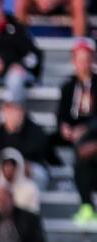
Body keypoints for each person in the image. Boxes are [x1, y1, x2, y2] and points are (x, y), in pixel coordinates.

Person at [58, 39, 97, 223]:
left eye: (86, 59)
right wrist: (64, 127)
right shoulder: (67, 86)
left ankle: (87, 205)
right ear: (74, 61)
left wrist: (86, 128)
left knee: (83, 151)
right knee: (44, 140)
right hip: (73, 131)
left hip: (92, 132)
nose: (83, 63)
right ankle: (56, 172)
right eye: (79, 59)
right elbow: (61, 113)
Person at [0, 100, 51, 187]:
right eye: (10, 110)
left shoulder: (35, 130)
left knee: (28, 170)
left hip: (30, 170)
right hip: (5, 173)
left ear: (23, 111)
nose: (14, 114)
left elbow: (38, 154)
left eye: (16, 110)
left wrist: (15, 133)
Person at [0, 149, 39, 213]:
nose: (8, 169)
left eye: (11, 165)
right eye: (6, 165)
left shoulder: (30, 187)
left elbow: (33, 211)